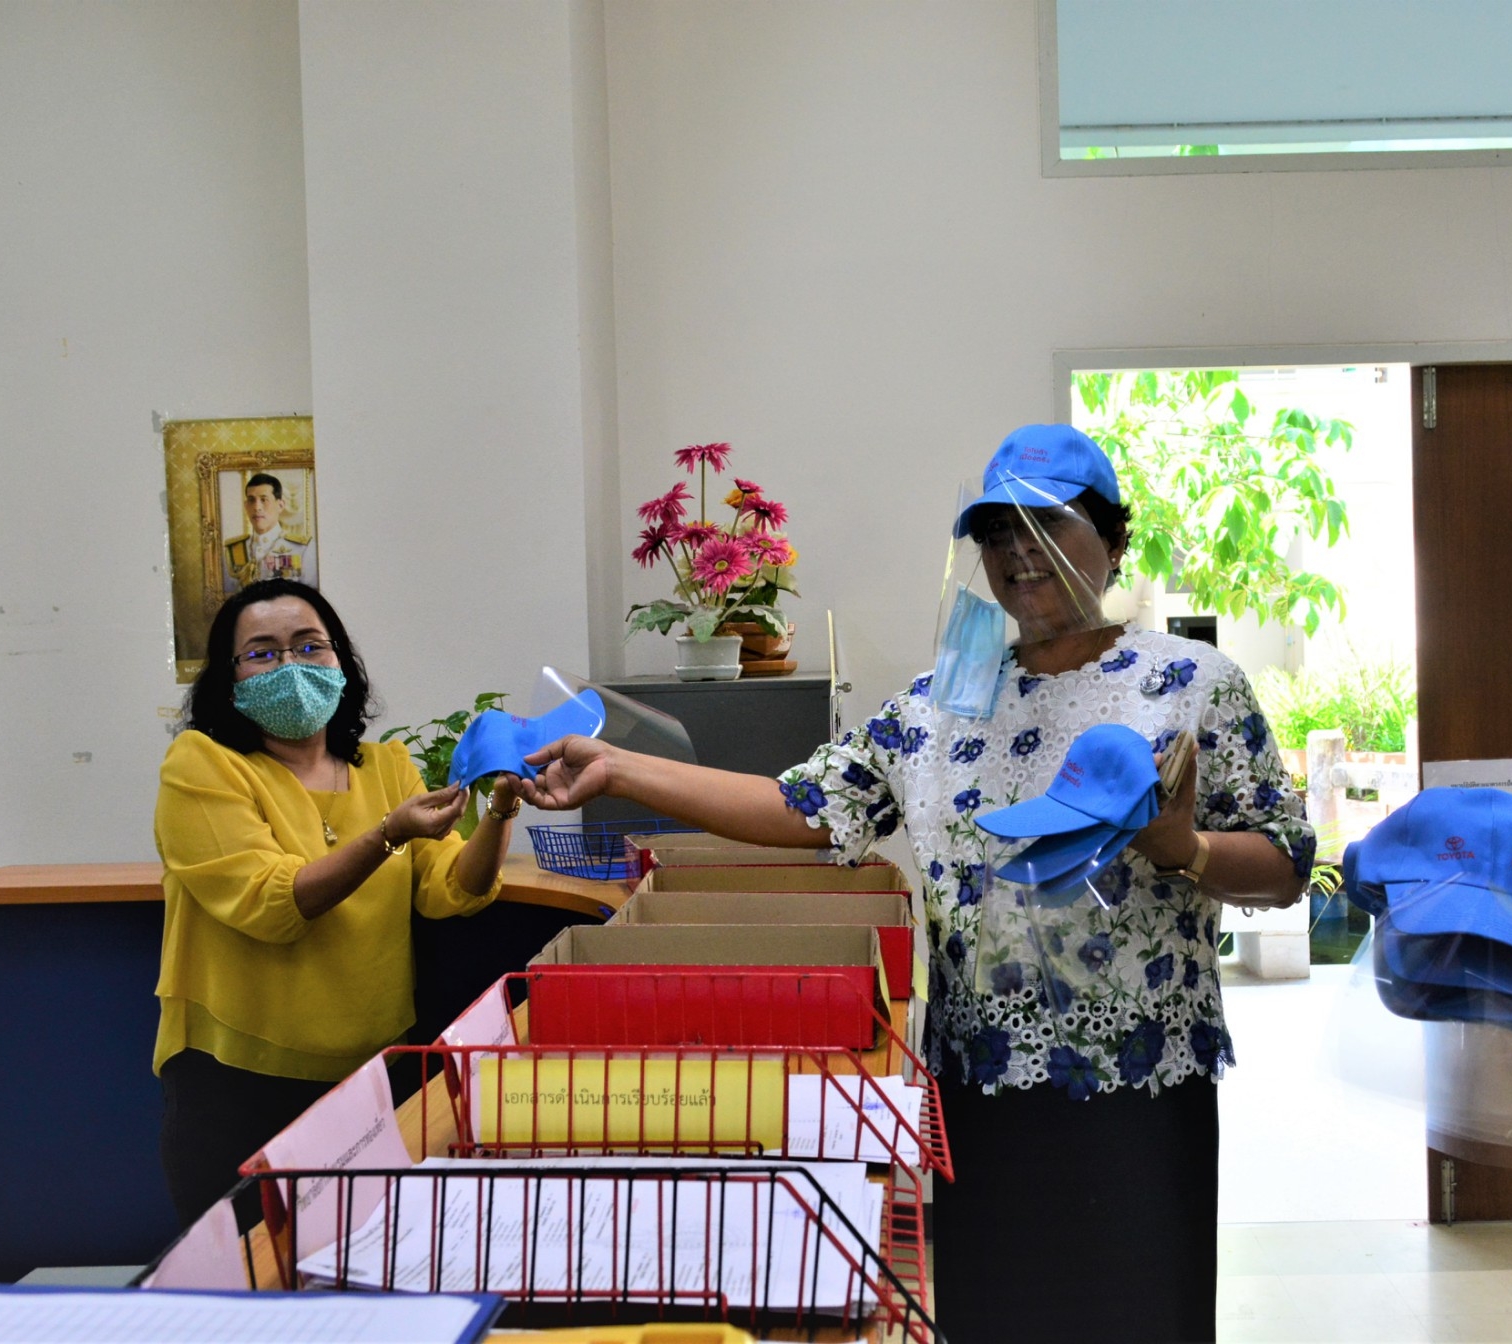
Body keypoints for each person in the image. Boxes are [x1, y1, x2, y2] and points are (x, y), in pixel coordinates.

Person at [521, 425, 1313, 1342]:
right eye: (998, 530)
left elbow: (1286, 865)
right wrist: (620, 768)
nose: (1021, 549)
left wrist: (1182, 847)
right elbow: (800, 806)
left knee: (1140, 1320)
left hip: (1140, 1093)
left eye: (1049, 523)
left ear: (1112, 539)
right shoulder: (943, 703)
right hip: (980, 1098)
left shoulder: (1191, 684)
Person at [153, 577, 529, 1226]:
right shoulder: (202, 765)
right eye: (262, 653)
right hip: (239, 1080)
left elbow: (451, 889)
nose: (290, 666)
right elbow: (272, 903)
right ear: (228, 677)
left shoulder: (385, 768)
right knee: (252, 1271)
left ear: (341, 661)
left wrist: (500, 807)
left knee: (371, 1257)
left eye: (309, 646)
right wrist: (387, 835)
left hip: (375, 1072)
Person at [223, 472, 317, 593]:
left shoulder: (302, 548)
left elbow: (311, 596)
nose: (257, 507)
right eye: (251, 500)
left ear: (280, 505)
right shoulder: (233, 550)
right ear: (246, 506)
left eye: (264, 500)